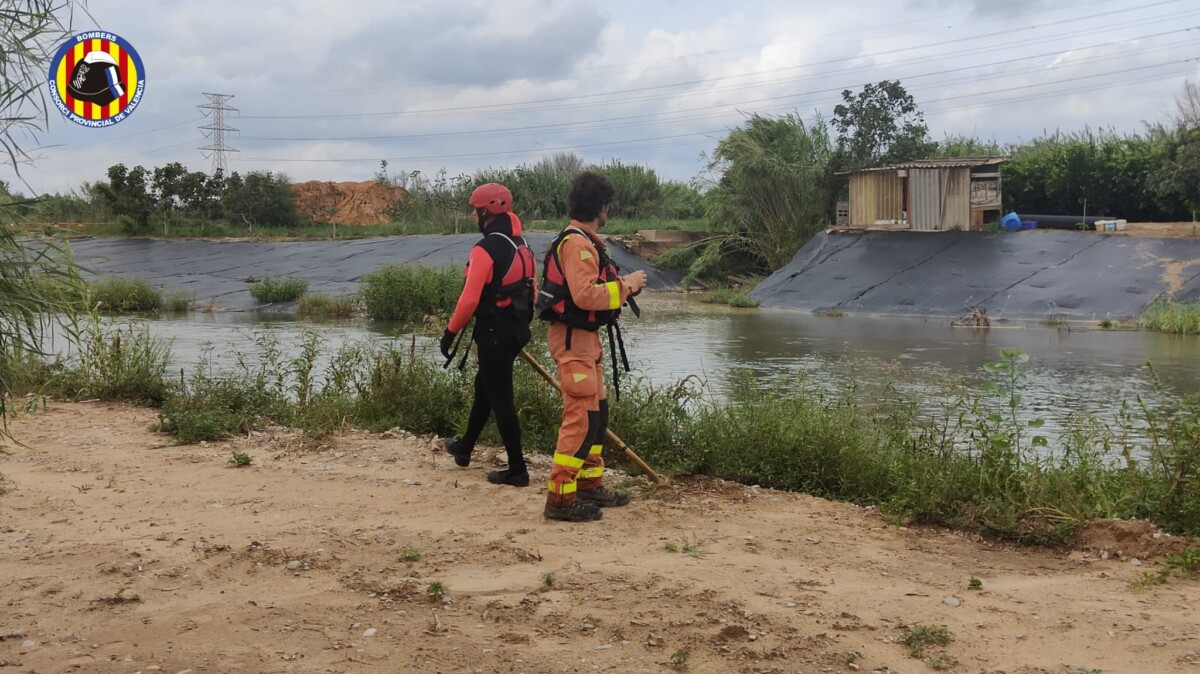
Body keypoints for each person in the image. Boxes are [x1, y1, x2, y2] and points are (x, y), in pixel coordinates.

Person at [536, 171, 648, 522]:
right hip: (573, 343)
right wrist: (627, 285)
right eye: (607, 206)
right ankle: (560, 498)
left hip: (586, 341)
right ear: (601, 207)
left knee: (596, 417)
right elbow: (585, 295)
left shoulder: (584, 240)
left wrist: (622, 287)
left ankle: (588, 484)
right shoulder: (577, 244)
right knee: (580, 418)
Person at [440, 183, 536, 487]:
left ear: (486, 212)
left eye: (475, 210)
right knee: (486, 386)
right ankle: (464, 447)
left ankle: (517, 470)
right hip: (517, 330)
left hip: (495, 332)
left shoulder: (485, 249)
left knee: (501, 399)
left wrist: (449, 333)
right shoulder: (522, 244)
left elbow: (469, 300)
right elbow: (531, 291)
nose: (473, 215)